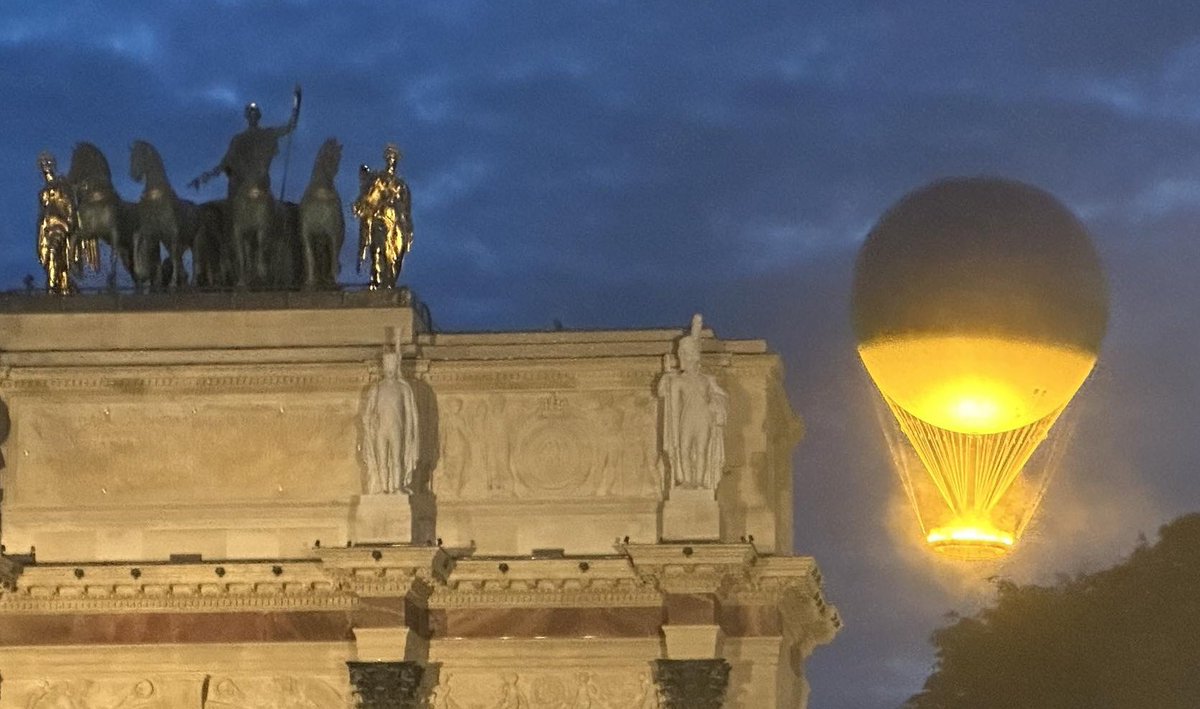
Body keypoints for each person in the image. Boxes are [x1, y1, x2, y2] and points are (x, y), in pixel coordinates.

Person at [190, 85, 302, 197]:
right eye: (250, 113)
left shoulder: (268, 133)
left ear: (258, 116)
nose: (252, 116)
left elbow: (290, 126)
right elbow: (224, 164)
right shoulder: (238, 139)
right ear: (247, 117)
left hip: (261, 185)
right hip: (240, 186)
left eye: (254, 113)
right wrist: (205, 177)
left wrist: (296, 106)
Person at [657, 314, 728, 490]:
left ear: (696, 357)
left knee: (702, 450)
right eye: (685, 355)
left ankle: (701, 482)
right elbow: (669, 404)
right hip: (686, 417)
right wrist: (666, 378)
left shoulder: (707, 379)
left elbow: (723, 395)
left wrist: (717, 403)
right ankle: (687, 480)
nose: (688, 359)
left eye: (691, 355)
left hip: (703, 416)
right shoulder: (677, 381)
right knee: (684, 448)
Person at [361, 345, 419, 494]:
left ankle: (396, 487)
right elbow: (368, 412)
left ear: (396, 366)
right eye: (387, 365)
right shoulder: (377, 388)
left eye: (392, 365)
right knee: (382, 460)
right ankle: (383, 488)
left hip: (396, 428)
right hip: (381, 429)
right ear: (384, 367)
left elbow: (410, 414)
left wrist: (411, 434)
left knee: (396, 459)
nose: (390, 369)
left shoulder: (403, 388)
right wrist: (369, 422)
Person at [354, 143, 413, 289]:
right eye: (389, 157)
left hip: (398, 222)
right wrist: (362, 205)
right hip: (381, 218)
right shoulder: (379, 180)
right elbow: (371, 198)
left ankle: (390, 283)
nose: (391, 160)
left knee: (396, 255)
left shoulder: (402, 185)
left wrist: (410, 230)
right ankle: (376, 279)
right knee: (378, 249)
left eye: (394, 158)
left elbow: (407, 209)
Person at [36, 152, 84, 294]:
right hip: (46, 226)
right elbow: (42, 211)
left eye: (48, 163)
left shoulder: (61, 184)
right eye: (42, 164)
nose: (45, 166)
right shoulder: (43, 190)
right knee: (51, 257)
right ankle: (62, 283)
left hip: (59, 225)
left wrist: (70, 222)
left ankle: (51, 288)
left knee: (53, 251)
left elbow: (69, 204)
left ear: (53, 165)